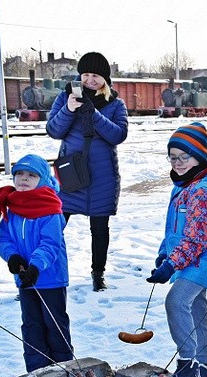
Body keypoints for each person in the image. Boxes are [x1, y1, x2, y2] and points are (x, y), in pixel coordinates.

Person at [147, 122, 207, 377]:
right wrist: (163, 254)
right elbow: (174, 230)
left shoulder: (202, 192)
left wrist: (172, 264)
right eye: (173, 157)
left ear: (199, 158)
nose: (178, 163)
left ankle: (187, 364)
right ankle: (204, 366)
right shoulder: (183, 187)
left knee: (176, 301)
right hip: (185, 258)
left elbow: (195, 240)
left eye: (185, 157)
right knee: (195, 308)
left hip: (202, 259)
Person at [46, 51, 128, 292]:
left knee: (99, 229)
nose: (90, 80)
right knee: (55, 224)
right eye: (85, 74)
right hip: (71, 173)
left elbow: (118, 134)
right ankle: (42, 270)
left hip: (102, 176)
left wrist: (94, 114)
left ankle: (98, 274)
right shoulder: (65, 97)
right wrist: (68, 110)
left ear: (105, 78)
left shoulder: (115, 103)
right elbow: (53, 130)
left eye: (95, 75)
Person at [0, 154, 72, 376]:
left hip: (50, 278)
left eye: (31, 175)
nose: (24, 179)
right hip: (25, 279)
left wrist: (35, 266)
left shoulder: (50, 208)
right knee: (32, 326)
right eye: (20, 174)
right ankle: (36, 374)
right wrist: (12, 257)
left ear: (42, 179)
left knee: (55, 327)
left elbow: (50, 244)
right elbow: (2, 239)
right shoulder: (12, 207)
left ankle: (65, 372)